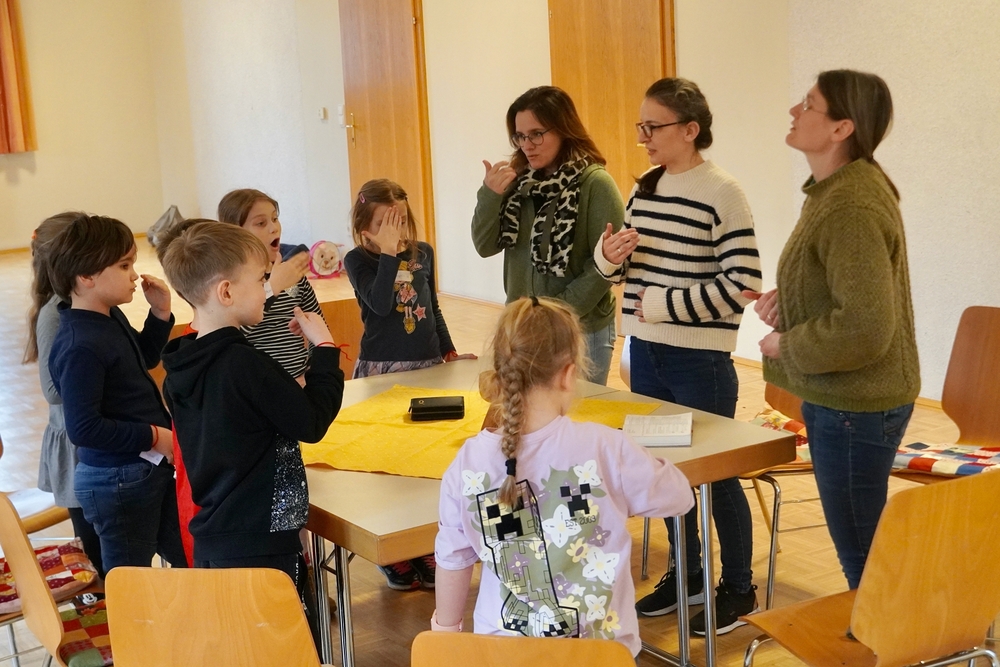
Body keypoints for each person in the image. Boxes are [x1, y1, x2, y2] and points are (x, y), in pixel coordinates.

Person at [431, 297, 693, 658]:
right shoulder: (606, 447)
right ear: (569, 374)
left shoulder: (467, 461)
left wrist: (445, 636)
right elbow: (680, 497)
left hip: (504, 654)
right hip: (601, 655)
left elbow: (452, 559)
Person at [596, 77, 763, 634]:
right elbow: (621, 271)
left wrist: (663, 305)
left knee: (717, 476)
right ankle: (687, 574)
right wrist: (607, 257)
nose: (642, 137)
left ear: (690, 130)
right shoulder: (644, 189)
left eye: (653, 127)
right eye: (640, 126)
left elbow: (743, 282)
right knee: (665, 473)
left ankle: (738, 588)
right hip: (646, 353)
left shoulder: (723, 192)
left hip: (700, 362)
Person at [745, 70, 919, 590]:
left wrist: (787, 343)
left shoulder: (850, 205)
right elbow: (847, 292)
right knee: (864, 552)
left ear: (842, 128)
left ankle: (883, 632)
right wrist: (792, 304)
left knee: (862, 560)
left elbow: (865, 327)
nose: (794, 111)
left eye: (808, 104)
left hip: (854, 407)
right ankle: (885, 627)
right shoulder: (835, 192)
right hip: (848, 401)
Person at [159, 221, 344, 626]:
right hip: (260, 546)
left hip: (216, 540)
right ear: (226, 292)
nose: (266, 289)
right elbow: (311, 422)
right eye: (261, 280)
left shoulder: (182, 367)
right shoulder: (245, 364)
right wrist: (325, 349)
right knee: (286, 647)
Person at [344, 178, 476, 591]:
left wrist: (449, 351)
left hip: (427, 367)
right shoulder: (357, 259)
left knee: (426, 461)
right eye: (384, 224)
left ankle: (425, 544)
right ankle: (395, 553)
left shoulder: (424, 253)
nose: (395, 231)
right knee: (390, 465)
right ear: (364, 229)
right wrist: (387, 253)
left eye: (400, 221)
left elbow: (432, 306)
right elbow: (380, 304)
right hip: (383, 372)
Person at [47, 215, 185, 571]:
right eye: (124, 265)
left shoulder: (108, 317)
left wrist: (160, 314)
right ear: (86, 276)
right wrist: (153, 436)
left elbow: (144, 358)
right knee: (130, 578)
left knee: (188, 556)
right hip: (117, 480)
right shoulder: (80, 345)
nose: (135, 275)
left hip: (141, 469)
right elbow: (84, 428)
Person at [471, 86, 625, 384]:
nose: (527, 145)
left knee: (579, 411)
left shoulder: (595, 184)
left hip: (579, 329)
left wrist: (551, 315)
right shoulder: (517, 183)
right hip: (522, 326)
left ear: (563, 129)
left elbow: (605, 267)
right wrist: (489, 196)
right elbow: (484, 245)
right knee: (522, 409)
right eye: (520, 136)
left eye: (537, 134)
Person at [23, 212, 103, 576]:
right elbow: (53, 391)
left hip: (95, 435)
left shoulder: (91, 301)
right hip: (76, 443)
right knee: (92, 546)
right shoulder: (53, 314)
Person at [217, 189, 322, 383]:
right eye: (261, 223)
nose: (274, 228)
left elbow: (318, 326)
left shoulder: (292, 275)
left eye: (275, 218)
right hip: (254, 386)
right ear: (235, 233)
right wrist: (272, 287)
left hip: (299, 381)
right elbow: (229, 333)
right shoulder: (229, 283)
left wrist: (316, 371)